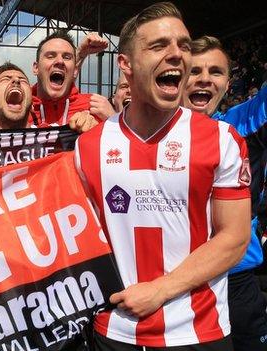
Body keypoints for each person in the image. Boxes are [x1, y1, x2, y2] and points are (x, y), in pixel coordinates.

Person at [75, 3, 250, 350]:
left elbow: (234, 237)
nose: (176, 55)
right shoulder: (87, 147)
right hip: (113, 333)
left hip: (199, 332)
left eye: (183, 45)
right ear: (125, 64)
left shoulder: (221, 140)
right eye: (158, 46)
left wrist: (160, 290)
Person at [182, 35, 267, 351]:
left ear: (228, 84)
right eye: (195, 71)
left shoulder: (241, 124)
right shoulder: (151, 136)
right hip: (179, 285)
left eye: (215, 72)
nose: (204, 78)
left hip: (237, 283)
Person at [31, 30, 113, 127]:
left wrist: (113, 119)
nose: (60, 61)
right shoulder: (20, 109)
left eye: (66, 57)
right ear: (36, 68)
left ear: (75, 70)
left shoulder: (95, 107)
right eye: (50, 56)